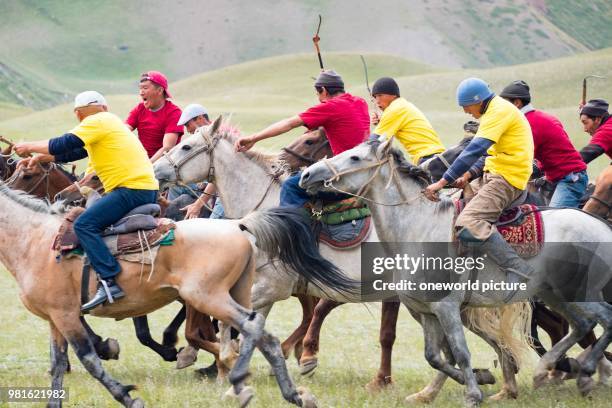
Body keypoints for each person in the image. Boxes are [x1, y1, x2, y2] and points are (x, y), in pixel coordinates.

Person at [14, 91, 159, 311]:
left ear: (79, 114)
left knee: (84, 224)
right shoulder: (109, 123)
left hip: (130, 189)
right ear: (104, 106)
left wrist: (29, 146)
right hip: (143, 188)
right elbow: (75, 152)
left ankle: (110, 280)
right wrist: (40, 157)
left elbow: (65, 142)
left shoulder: (97, 121)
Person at [423, 78, 535, 295]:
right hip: (493, 172)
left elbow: (474, 150)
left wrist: (442, 182)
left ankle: (518, 268)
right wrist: (467, 175)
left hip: (508, 177)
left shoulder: (498, 112)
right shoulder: (493, 111)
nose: (466, 111)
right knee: (454, 208)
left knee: (468, 222)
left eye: (466, 105)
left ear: (477, 100)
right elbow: (485, 155)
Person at [234, 70, 370, 207]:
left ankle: (291, 228)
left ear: (323, 89)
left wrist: (253, 138)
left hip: (344, 177)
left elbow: (288, 124)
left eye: (318, 93)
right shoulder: (360, 102)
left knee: (290, 186)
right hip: (364, 172)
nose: (319, 99)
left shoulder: (330, 107)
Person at [499, 80, 588, 207]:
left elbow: (521, 159)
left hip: (569, 179)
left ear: (517, 103)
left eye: (505, 103)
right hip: (558, 177)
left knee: (555, 220)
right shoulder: (542, 117)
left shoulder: (527, 123)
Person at [370, 77, 445, 164]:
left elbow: (374, 141)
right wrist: (381, 122)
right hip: (436, 156)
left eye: (380, 95)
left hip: (428, 158)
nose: (377, 101)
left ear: (393, 95)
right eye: (375, 97)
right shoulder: (402, 104)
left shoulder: (394, 109)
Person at [126, 71, 183, 162]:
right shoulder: (139, 109)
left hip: (165, 164)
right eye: (140, 88)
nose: (141, 92)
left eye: (145, 88)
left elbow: (167, 148)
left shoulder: (174, 113)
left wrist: (147, 166)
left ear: (160, 90)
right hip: (141, 160)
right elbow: (123, 131)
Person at [579, 99, 612, 165]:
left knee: (605, 175)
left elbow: (586, 154)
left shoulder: (606, 131)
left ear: (598, 119)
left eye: (585, 122)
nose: (585, 129)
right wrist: (585, 110)